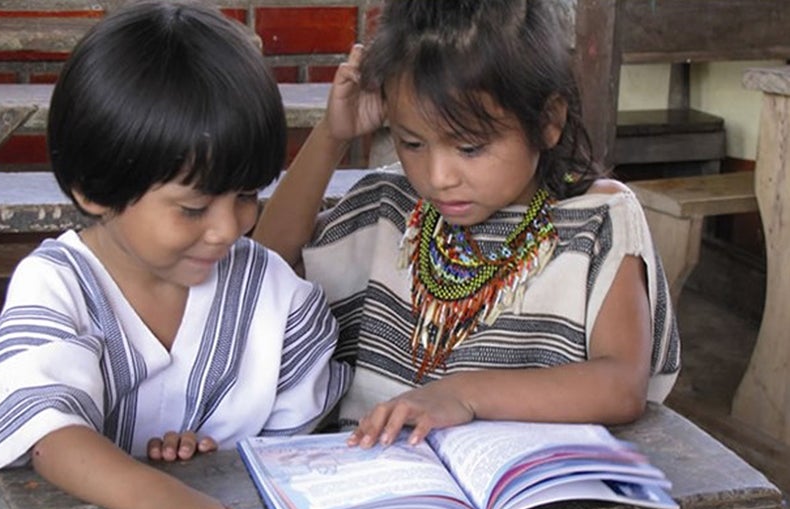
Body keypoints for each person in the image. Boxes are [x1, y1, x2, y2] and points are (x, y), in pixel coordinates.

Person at [0, 2, 351, 509]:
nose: (229, 228)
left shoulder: (272, 298)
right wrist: (156, 496)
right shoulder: (60, 283)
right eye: (193, 208)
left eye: (246, 195)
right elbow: (43, 429)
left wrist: (214, 462)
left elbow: (293, 461)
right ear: (95, 191)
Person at [253, 0, 680, 450]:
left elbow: (621, 384)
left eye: (471, 148)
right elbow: (269, 263)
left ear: (548, 121)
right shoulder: (390, 205)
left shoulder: (595, 223)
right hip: (369, 485)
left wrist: (462, 393)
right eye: (412, 143)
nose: (439, 177)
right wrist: (332, 135)